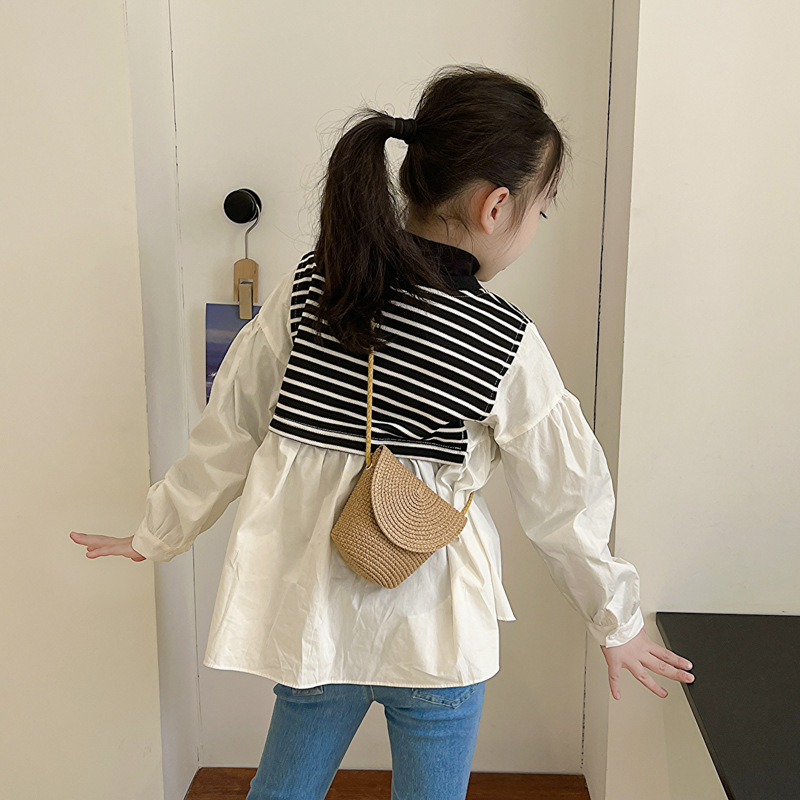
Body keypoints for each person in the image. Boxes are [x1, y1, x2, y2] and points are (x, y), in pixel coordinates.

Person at [70, 64, 694, 800]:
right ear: (497, 207)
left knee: (282, 790)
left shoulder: (313, 286)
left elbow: (231, 427)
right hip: (435, 630)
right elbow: (565, 499)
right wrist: (617, 622)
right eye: (541, 212)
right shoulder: (502, 340)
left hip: (317, 622)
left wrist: (158, 530)